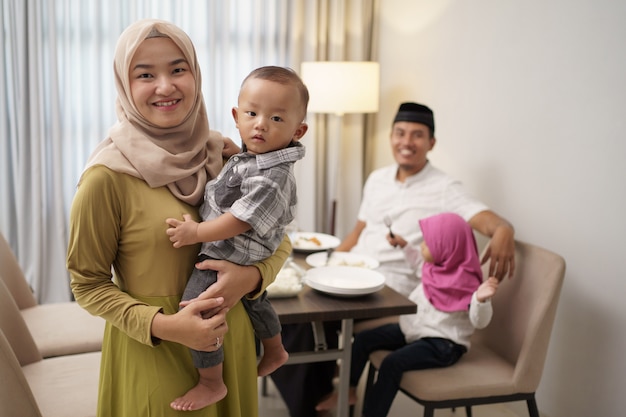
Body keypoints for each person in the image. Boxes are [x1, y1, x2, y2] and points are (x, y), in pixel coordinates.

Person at [66, 19, 290, 417]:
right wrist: (168, 327)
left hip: (231, 341)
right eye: (145, 74)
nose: (165, 86)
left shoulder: (226, 155)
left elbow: (279, 236)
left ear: (195, 74)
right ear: (124, 84)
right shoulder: (106, 178)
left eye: (178, 69)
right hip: (157, 352)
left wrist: (251, 278)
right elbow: (87, 285)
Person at [270, 102, 515, 417]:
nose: (407, 142)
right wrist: (325, 262)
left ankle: (312, 406)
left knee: (309, 321)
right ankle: (320, 396)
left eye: (417, 135)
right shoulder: (378, 178)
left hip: (391, 288)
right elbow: (359, 231)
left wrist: (504, 230)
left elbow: (486, 221)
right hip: (352, 274)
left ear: (431, 143)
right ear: (391, 137)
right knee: (290, 310)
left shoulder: (444, 188)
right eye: (400, 133)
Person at [164, 66, 308, 411]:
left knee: (199, 308)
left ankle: (211, 382)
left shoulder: (273, 175)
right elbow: (241, 181)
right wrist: (234, 155)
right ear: (236, 116)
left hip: (232, 253)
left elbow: (239, 219)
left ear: (297, 130)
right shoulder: (256, 159)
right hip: (245, 253)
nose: (260, 124)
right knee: (255, 300)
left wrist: (196, 232)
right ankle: (275, 349)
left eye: (276, 118)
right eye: (251, 113)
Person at [316, 212, 499, 416]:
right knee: (363, 339)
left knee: (392, 363)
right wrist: (404, 246)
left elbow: (479, 321)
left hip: (443, 344)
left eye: (428, 244)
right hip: (414, 332)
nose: (422, 247)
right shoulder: (435, 267)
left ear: (447, 248)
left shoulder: (467, 283)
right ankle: (347, 391)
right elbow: (417, 262)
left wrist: (481, 300)